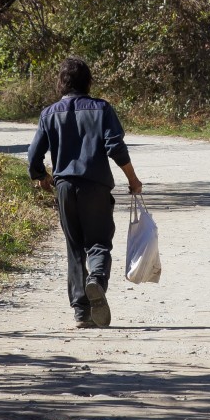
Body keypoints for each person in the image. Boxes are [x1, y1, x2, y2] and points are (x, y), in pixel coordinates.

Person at [28, 57, 143, 328]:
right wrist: (133, 180)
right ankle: (97, 280)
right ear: (88, 81)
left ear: (61, 82)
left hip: (64, 187)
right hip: (96, 184)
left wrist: (40, 175)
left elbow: (34, 154)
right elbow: (115, 147)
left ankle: (82, 312)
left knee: (75, 247)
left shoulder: (49, 113)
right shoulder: (102, 109)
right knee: (99, 242)